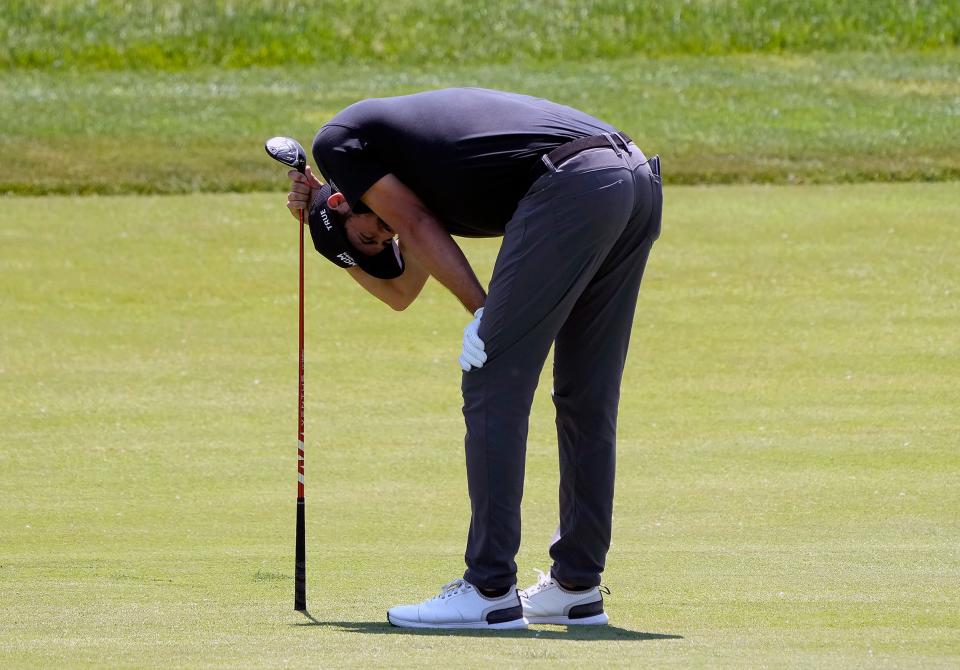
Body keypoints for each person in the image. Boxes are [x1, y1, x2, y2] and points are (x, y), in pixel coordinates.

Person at [283, 87, 662, 630]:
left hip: (577, 184)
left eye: (371, 233)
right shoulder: (399, 176)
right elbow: (401, 289)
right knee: (586, 392)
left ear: (342, 199)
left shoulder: (340, 144)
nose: (384, 235)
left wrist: (482, 311)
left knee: (491, 376)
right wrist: (330, 235)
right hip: (629, 181)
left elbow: (410, 227)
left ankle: (488, 589)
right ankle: (575, 587)